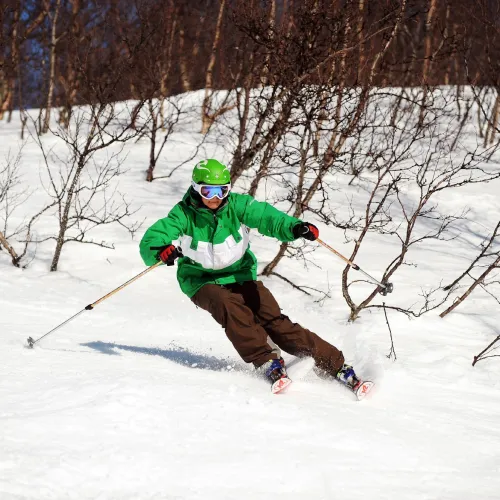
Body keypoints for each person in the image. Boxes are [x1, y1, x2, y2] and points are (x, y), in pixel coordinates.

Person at [139, 159, 367, 395]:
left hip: (240, 274)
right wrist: (160, 250)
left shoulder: (238, 206)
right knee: (229, 306)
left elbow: (267, 217)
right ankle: (266, 360)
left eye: (222, 190)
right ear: (196, 188)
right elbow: (155, 236)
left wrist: (294, 227)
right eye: (208, 191)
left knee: (275, 320)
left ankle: (336, 365)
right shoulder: (183, 214)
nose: (215, 197)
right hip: (200, 280)